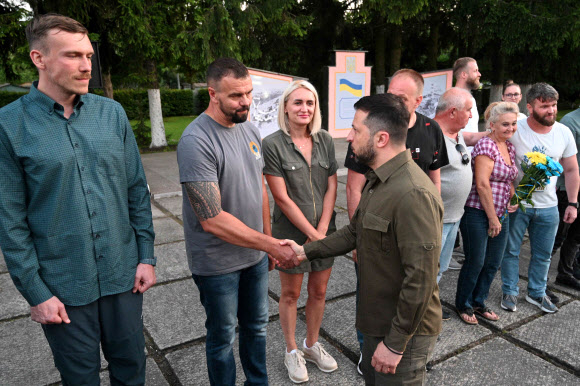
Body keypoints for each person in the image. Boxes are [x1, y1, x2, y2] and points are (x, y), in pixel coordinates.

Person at [0, 14, 156, 385]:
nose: (87, 66)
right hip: (63, 288)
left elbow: (136, 189)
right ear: (39, 59)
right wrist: (36, 292)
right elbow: (9, 219)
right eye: (73, 56)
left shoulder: (112, 114)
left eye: (88, 55)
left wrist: (146, 255)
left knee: (133, 371)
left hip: (123, 276)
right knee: (80, 379)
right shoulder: (8, 125)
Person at [283, 93, 443, 385]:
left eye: (356, 130)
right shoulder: (378, 179)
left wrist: (395, 345)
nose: (348, 137)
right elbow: (355, 231)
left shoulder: (413, 194)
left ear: (381, 139)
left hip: (401, 334)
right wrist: (304, 252)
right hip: (376, 322)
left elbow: (420, 279)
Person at [177, 58, 295, 385]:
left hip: (255, 257)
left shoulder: (249, 128)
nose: (246, 101)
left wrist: (267, 244)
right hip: (217, 263)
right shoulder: (195, 140)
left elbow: (259, 189)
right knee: (223, 336)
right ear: (213, 94)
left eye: (249, 93)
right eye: (236, 96)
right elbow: (212, 219)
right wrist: (271, 244)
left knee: (256, 327)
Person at [344, 68, 448, 371]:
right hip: (377, 239)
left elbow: (419, 280)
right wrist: (356, 240)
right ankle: (372, 349)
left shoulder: (416, 185)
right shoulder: (377, 164)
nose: (392, 101)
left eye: (400, 97)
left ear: (418, 101)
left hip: (413, 231)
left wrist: (396, 345)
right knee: (374, 296)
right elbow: (354, 188)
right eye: (390, 93)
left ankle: (405, 354)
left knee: (411, 288)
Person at [262, 80, 339, 383]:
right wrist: (311, 234)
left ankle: (311, 345)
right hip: (290, 235)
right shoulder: (272, 144)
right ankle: (292, 350)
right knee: (291, 294)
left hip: (324, 231)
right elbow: (280, 196)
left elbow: (332, 185)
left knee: (318, 291)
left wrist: (321, 230)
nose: (304, 108)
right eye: (298, 103)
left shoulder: (325, 140)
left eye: (310, 103)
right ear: (285, 107)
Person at [500, 83, 579, 314]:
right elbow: (493, 144)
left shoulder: (563, 132)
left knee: (543, 255)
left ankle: (536, 292)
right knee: (511, 251)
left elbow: (572, 170)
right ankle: (510, 291)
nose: (551, 110)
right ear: (530, 106)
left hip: (549, 207)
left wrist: (573, 203)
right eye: (544, 106)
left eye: (554, 105)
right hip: (518, 205)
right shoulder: (516, 128)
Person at [455, 102, 520, 324]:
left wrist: (513, 196)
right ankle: (463, 303)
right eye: (505, 124)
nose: (510, 128)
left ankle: (479, 302)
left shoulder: (508, 146)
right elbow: (482, 184)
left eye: (513, 124)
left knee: (493, 262)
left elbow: (507, 177)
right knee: (476, 261)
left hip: (501, 212)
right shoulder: (486, 146)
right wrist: (492, 218)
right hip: (477, 212)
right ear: (491, 125)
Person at [434, 88, 488, 290]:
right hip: (436, 219)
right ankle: (420, 315)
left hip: (454, 216)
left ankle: (429, 309)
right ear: (453, 112)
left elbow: (473, 138)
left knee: (440, 268)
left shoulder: (456, 133)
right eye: (468, 110)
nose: (472, 115)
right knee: (429, 269)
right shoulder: (432, 136)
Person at [551, 107, 580, 290]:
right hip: (567, 189)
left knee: (577, 235)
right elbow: (563, 158)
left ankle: (566, 273)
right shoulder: (571, 121)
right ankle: (539, 280)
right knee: (557, 235)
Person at [453, 57, 482, 134]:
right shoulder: (453, 99)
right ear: (464, 74)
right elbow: (454, 134)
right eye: (475, 71)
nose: (479, 74)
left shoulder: (470, 98)